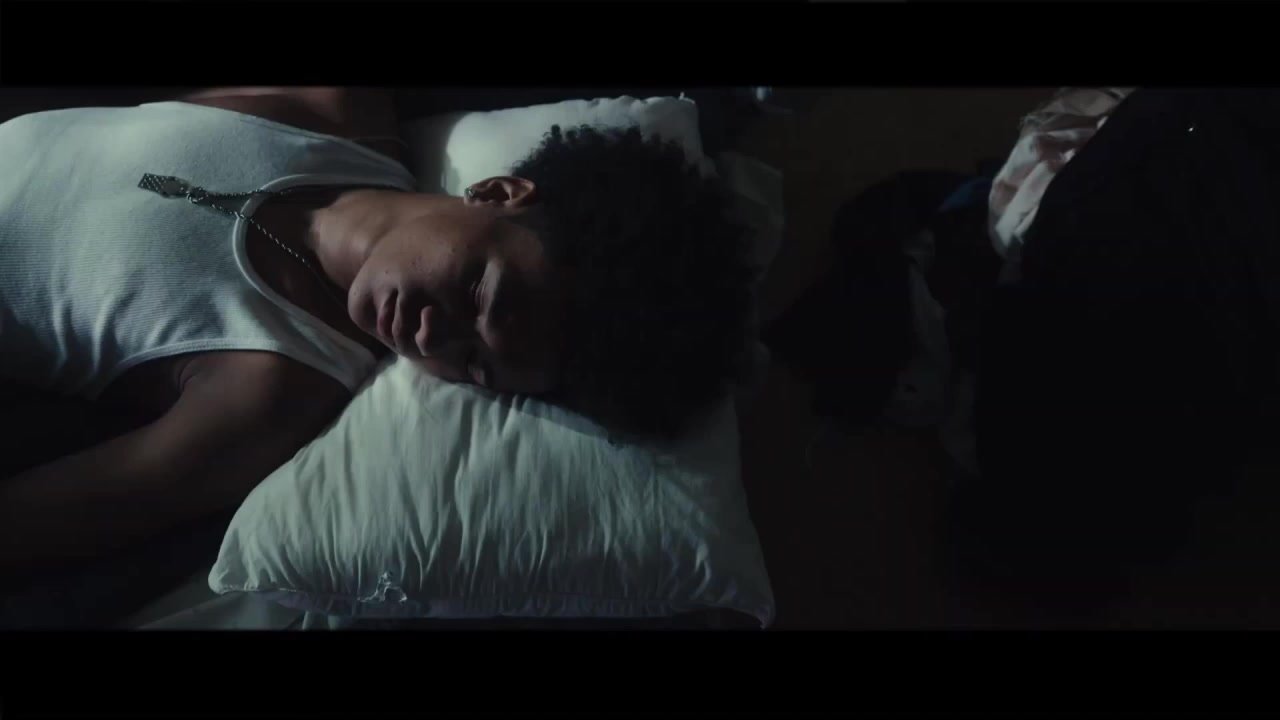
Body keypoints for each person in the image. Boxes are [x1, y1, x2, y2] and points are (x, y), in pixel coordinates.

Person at [0, 87, 756, 581]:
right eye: (477, 292)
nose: (433, 337)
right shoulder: (335, 111)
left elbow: (35, 522)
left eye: (474, 365)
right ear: (498, 192)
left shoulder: (271, 388)